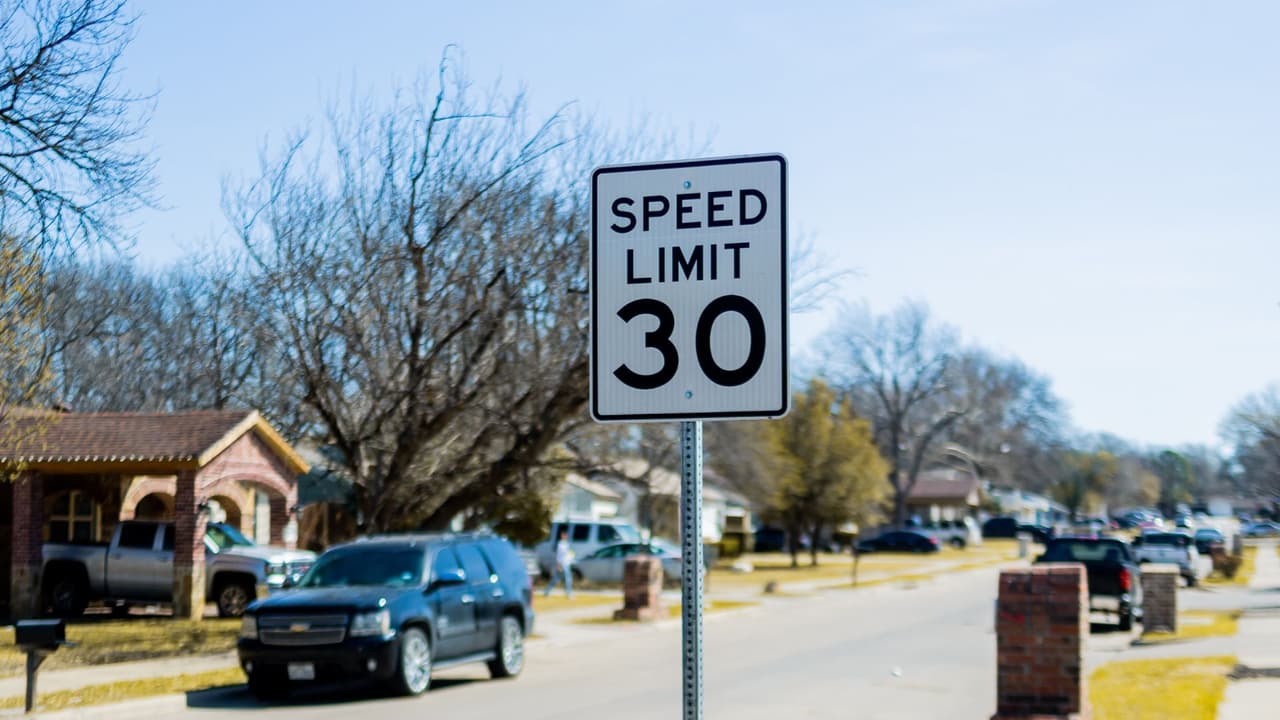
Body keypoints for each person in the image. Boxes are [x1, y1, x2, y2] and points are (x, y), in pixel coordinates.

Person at [544, 529, 574, 599]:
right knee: (568, 579)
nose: (566, 536)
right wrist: (559, 565)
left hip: (566, 563)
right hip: (562, 564)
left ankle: (547, 591)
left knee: (556, 578)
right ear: (561, 536)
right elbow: (559, 555)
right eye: (564, 535)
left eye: (566, 535)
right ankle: (569, 594)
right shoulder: (560, 544)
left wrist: (570, 557)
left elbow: (568, 554)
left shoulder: (566, 544)